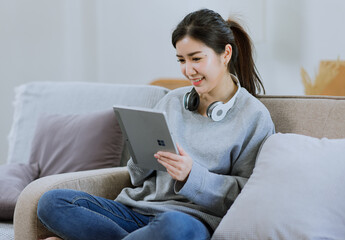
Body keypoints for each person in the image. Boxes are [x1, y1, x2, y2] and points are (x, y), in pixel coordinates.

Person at [37, 8, 275, 240]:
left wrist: (192, 175)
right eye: (181, 60)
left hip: (189, 221)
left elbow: (247, 195)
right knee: (51, 202)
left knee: (174, 227)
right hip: (137, 211)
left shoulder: (253, 117)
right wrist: (142, 152)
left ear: (225, 54)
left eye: (196, 59)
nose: (188, 70)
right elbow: (137, 177)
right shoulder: (171, 102)